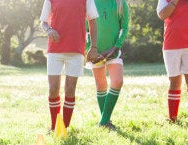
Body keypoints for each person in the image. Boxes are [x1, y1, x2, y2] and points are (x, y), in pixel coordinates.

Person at [40, 0, 101, 132]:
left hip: (76, 49)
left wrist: (94, 47)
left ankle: (64, 128)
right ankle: (54, 127)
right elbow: (43, 22)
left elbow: (93, 22)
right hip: (54, 49)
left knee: (70, 89)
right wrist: (49, 29)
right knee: (53, 89)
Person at [86, 0, 130, 130]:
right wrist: (91, 48)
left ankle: (104, 121)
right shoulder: (90, 2)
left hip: (113, 51)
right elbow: (86, 29)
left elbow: (124, 27)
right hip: (95, 51)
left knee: (117, 81)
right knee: (100, 84)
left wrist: (116, 47)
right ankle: (106, 122)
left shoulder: (120, 3)